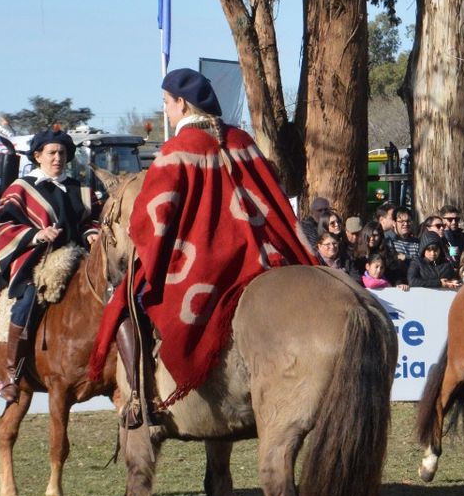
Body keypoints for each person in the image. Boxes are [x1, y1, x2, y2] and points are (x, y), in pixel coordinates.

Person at [90, 68, 316, 428]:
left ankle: (138, 398)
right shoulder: (242, 141)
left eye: (167, 103)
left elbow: (154, 219)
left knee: (125, 303)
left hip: (204, 265)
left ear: (181, 103)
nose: (165, 110)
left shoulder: (177, 151)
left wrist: (141, 239)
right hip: (264, 256)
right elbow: (272, 196)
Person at [0, 128, 100, 402]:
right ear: (38, 156)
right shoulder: (21, 188)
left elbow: (92, 220)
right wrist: (37, 234)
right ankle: (12, 372)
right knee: (28, 298)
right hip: (35, 260)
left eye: (63, 153)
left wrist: (92, 233)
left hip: (79, 259)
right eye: (52, 153)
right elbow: (3, 226)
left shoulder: (82, 190)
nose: (58, 158)